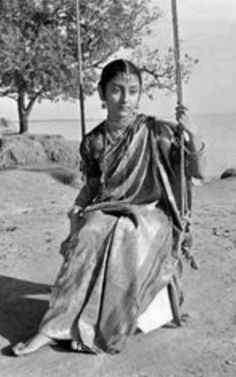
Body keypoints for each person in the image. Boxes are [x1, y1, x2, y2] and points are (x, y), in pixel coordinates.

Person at [12, 59, 206, 356]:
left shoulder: (159, 132)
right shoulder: (94, 140)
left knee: (128, 231)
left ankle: (107, 325)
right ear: (102, 94)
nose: (126, 99)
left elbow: (197, 173)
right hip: (110, 204)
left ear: (140, 94)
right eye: (117, 90)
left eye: (133, 90)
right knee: (90, 231)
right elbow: (92, 186)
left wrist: (192, 134)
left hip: (151, 210)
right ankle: (53, 328)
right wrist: (77, 207)